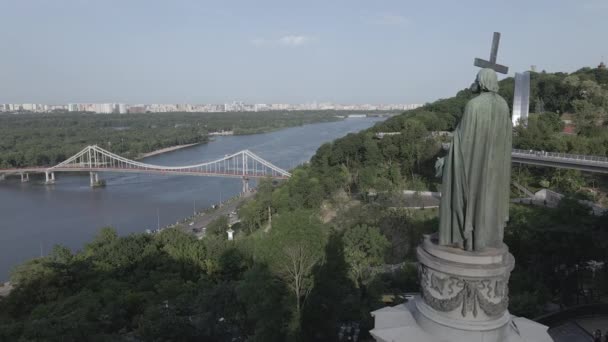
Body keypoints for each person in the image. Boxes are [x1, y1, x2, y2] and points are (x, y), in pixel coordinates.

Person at [437, 68, 512, 251]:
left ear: (482, 81)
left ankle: (468, 240)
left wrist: (446, 162)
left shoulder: (474, 105)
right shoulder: (503, 105)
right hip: (495, 166)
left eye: (477, 79)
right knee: (489, 198)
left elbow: (462, 142)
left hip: (474, 165)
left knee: (471, 197)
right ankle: (486, 239)